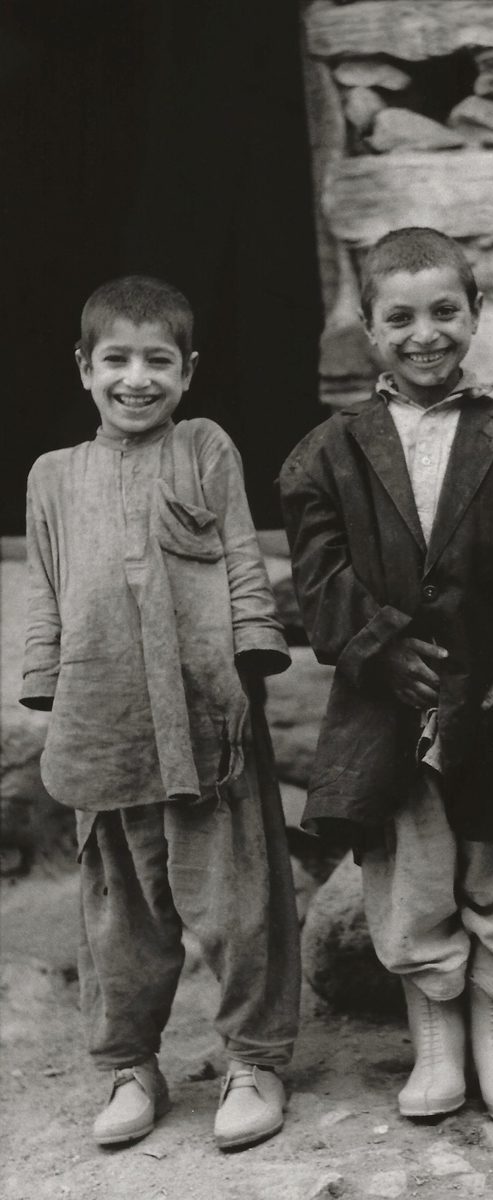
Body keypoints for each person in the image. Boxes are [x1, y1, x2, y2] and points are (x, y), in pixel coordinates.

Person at [280, 227, 493, 1125]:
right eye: (401, 318)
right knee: (411, 868)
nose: (425, 334)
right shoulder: (328, 453)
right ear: (369, 333)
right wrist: (378, 644)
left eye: (444, 312)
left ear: (475, 314)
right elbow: (317, 575)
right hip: (395, 700)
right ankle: (436, 1040)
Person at [21, 276, 301, 1151]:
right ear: (82, 368)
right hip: (103, 719)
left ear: (187, 372)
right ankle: (128, 1065)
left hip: (206, 719)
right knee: (121, 914)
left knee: (237, 901)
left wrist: (248, 666)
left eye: (157, 362)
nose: (135, 379)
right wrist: (46, 685)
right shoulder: (53, 476)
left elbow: (241, 559)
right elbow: (46, 592)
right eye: (116, 360)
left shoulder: (205, 447)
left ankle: (255, 1059)